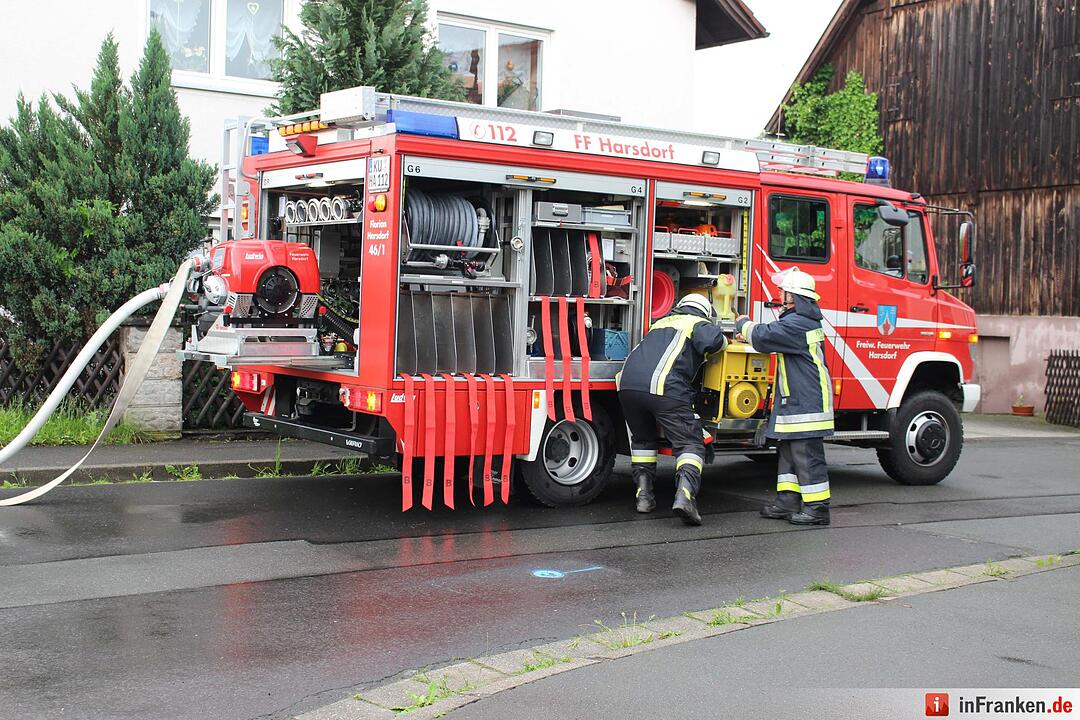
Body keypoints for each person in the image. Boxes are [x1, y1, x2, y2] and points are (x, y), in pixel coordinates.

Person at [735, 268, 834, 526]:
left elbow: (763, 336)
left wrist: (742, 323)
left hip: (806, 402)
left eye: (783, 291)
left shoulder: (798, 324)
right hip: (799, 399)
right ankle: (788, 501)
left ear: (794, 296)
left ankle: (817, 509)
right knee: (789, 452)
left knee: (806, 455)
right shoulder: (799, 321)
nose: (779, 294)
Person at [618, 293, 728, 526]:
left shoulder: (660, 323)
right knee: (690, 443)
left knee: (643, 441)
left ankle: (644, 497)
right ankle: (685, 497)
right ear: (705, 312)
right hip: (663, 386)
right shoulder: (697, 322)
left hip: (627, 386)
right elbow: (714, 342)